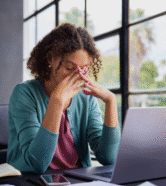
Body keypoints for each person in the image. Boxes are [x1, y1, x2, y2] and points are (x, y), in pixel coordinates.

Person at [7, 23, 121, 173]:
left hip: (79, 182)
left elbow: (109, 158)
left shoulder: (86, 97)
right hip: (33, 182)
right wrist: (56, 101)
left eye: (84, 69)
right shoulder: (24, 93)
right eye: (69, 68)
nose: (78, 76)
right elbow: (36, 164)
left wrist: (110, 101)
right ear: (50, 59)